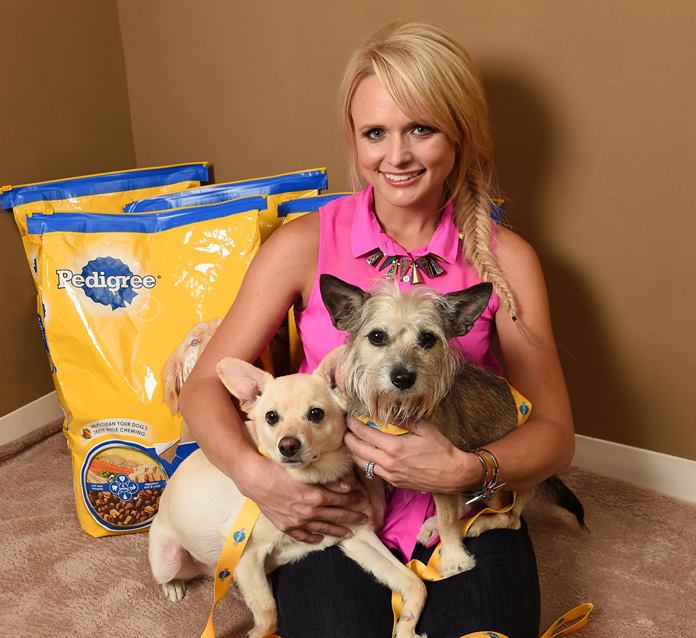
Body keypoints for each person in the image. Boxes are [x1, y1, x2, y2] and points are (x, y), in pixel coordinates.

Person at [178, 21, 575, 638]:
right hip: (334, 505)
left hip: (463, 510)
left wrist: (466, 471)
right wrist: (258, 479)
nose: (397, 156)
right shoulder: (303, 244)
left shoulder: (508, 260)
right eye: (375, 133)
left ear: (460, 134)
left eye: (421, 129)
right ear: (353, 139)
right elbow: (203, 387)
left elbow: (555, 435)